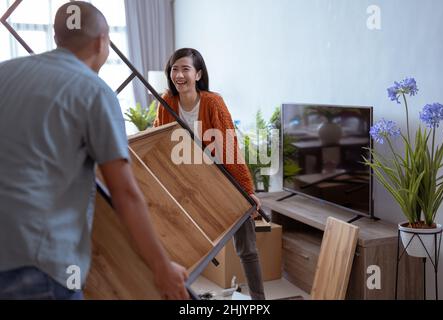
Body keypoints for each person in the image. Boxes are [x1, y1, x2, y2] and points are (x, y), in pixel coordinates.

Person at [0, 1, 188, 300]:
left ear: (56, 38)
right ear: (103, 41)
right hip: (39, 266)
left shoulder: (5, 72)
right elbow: (125, 193)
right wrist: (162, 268)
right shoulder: (93, 90)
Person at [153, 48, 266, 300]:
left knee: (246, 246)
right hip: (188, 184)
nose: (179, 75)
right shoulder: (166, 102)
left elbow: (229, 147)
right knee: (185, 246)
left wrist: (246, 191)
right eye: (174, 69)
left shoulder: (213, 102)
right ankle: (188, 298)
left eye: (185, 69)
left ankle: (259, 300)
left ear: (198, 73)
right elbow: (159, 138)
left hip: (223, 180)